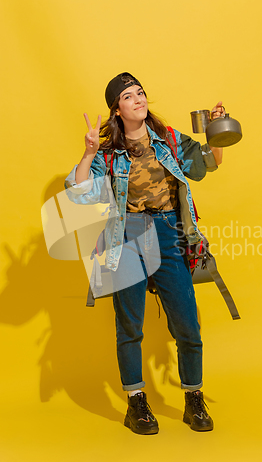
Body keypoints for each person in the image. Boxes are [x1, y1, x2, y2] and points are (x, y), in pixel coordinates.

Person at [65, 72, 225, 435]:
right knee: (129, 327)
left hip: (170, 234)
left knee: (187, 323)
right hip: (128, 237)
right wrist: (89, 152)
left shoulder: (168, 140)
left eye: (140, 92)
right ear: (117, 110)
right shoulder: (108, 154)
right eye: (128, 97)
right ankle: (136, 402)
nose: (138, 99)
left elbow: (208, 164)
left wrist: (217, 133)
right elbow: (77, 194)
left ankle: (192, 398)